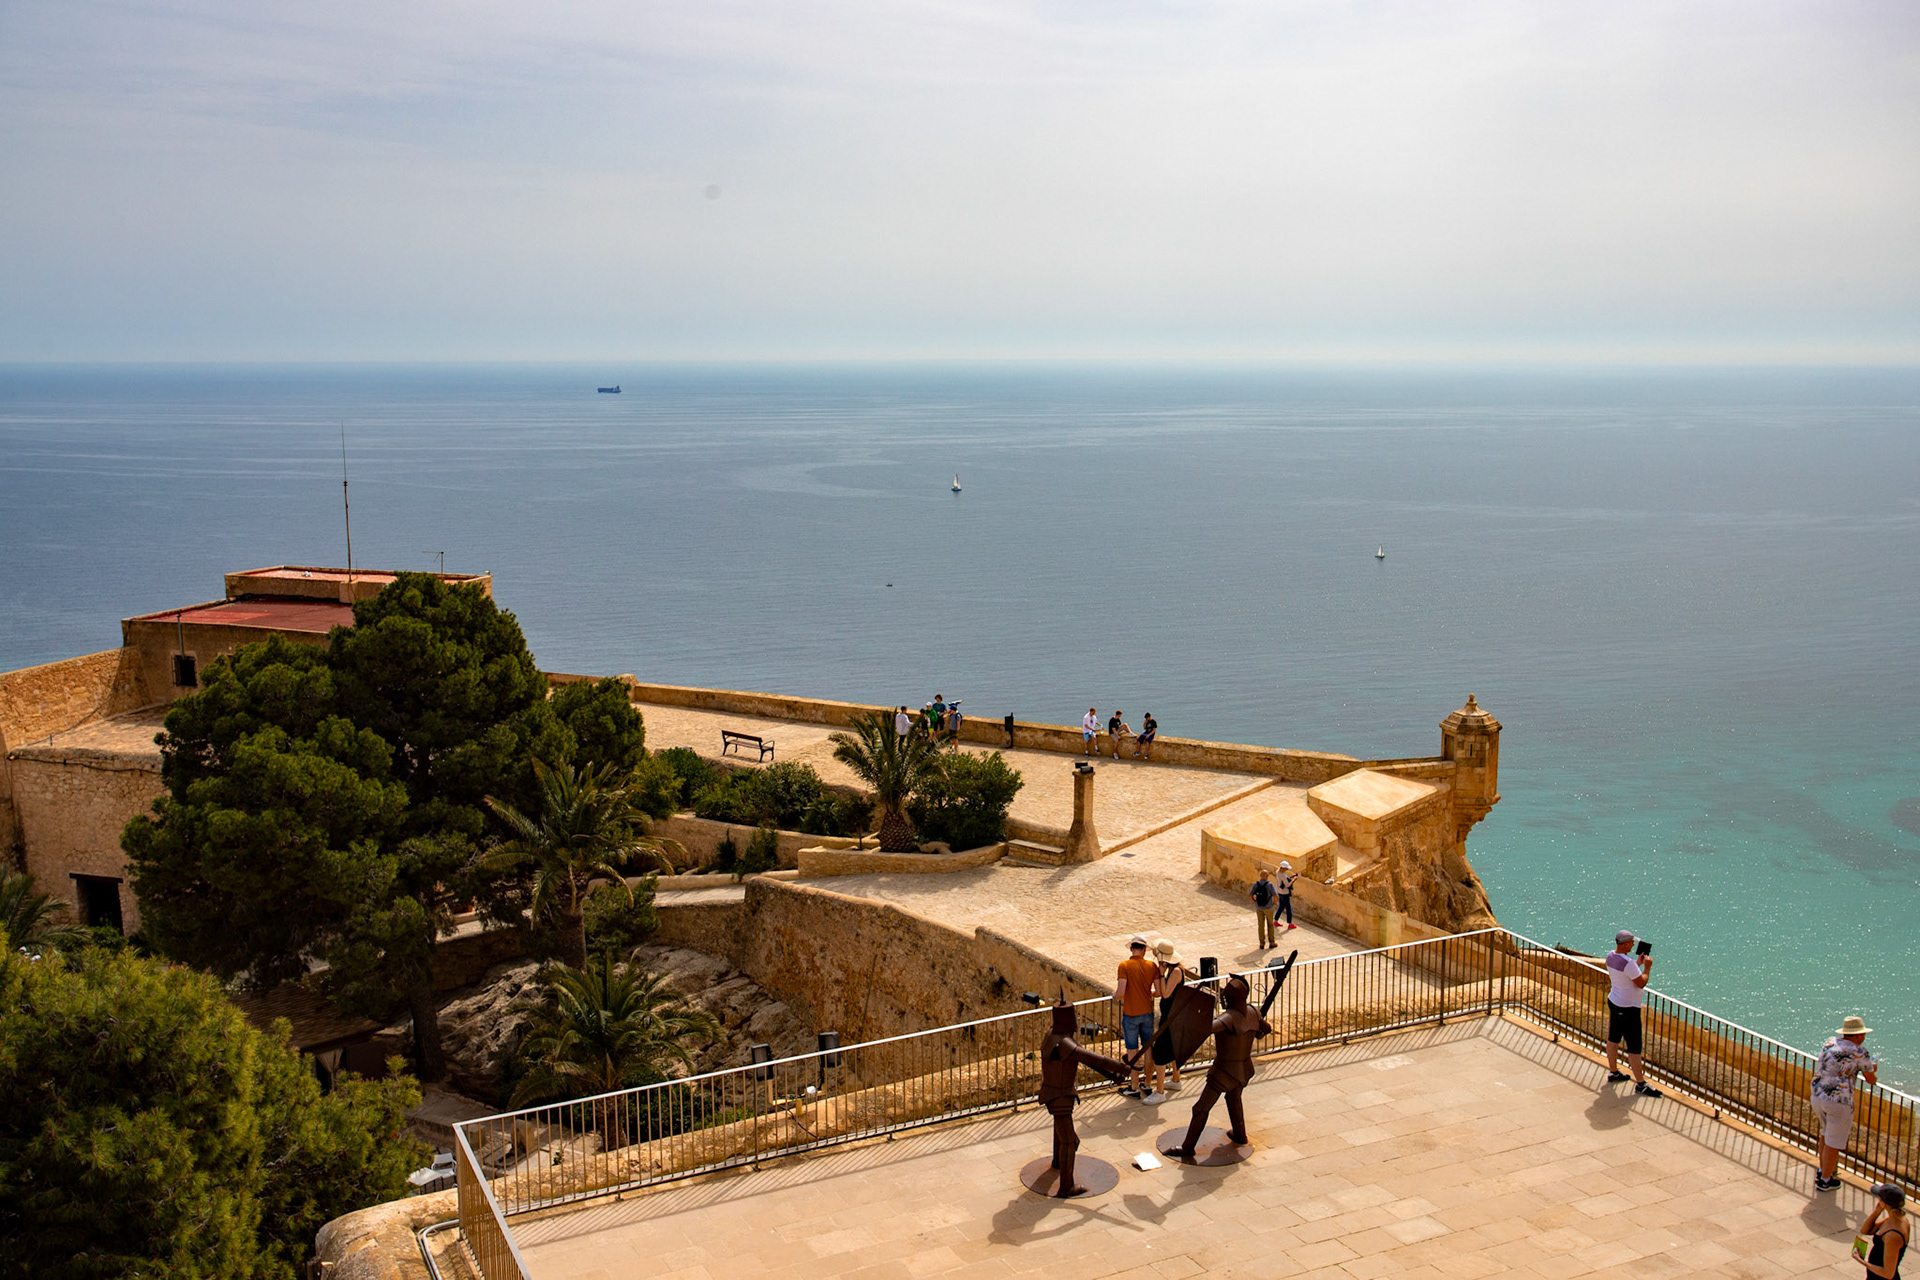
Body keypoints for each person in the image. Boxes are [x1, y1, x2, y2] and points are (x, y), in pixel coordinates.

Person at [1163, 974, 1269, 1160]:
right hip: (1244, 1068)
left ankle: (1188, 1147)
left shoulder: (1228, 1018)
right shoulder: (1253, 1012)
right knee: (1234, 1099)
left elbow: (1206, 1027)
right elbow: (1265, 1029)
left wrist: (1184, 1016)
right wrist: (1257, 1028)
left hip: (1224, 1071)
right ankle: (1239, 1134)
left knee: (1201, 1109)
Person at [1037, 1000, 1132, 1198]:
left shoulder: (1052, 1035)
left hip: (1052, 1092)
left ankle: (1057, 1162)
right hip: (1061, 1096)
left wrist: (1112, 1076)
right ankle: (1066, 1187)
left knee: (1061, 1133)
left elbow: (1082, 1060)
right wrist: (1120, 1067)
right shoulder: (1065, 1043)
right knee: (1069, 1142)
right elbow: (1094, 1058)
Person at [1812, 1015, 1880, 1192]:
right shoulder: (1860, 1051)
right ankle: (1825, 1180)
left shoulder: (1829, 1042)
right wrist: (1873, 1067)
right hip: (1839, 1101)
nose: (1864, 1037)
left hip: (1818, 1095)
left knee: (1825, 1134)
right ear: (1857, 1035)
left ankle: (1822, 1171)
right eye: (1863, 1034)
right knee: (1834, 1142)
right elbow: (1871, 1079)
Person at [1603, 930, 1662, 1098]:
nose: (1633, 945)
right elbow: (1641, 982)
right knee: (1634, 1046)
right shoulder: (1628, 963)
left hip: (1615, 1002)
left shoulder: (1610, 956)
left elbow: (1626, 973)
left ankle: (1614, 1072)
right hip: (1628, 1008)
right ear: (1626, 944)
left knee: (1613, 1038)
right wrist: (1647, 968)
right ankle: (1641, 1083)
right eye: (1631, 943)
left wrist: (1637, 964)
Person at [1115, 935, 1160, 1098]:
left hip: (1131, 1014)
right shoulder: (1151, 966)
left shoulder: (1124, 966)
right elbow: (1159, 991)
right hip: (1147, 1011)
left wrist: (1115, 995)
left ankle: (1133, 1085)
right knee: (1148, 1049)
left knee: (1132, 1050)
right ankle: (1147, 1083)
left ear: (1131, 949)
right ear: (1145, 950)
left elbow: (1120, 993)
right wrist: (1147, 993)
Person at [1150, 937, 1192, 1096]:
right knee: (1173, 1049)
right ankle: (1176, 1079)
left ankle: (1159, 1091)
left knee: (1159, 1053)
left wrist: (1160, 974)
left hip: (1171, 1018)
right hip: (1170, 1015)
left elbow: (1166, 994)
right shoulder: (1173, 970)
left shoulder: (1175, 972)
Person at [1859, 1183, 1908, 1279]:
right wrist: (1877, 1211)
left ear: (1884, 1203)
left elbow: (1888, 1273)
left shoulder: (1893, 1235)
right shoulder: (1893, 1219)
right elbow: (1865, 1230)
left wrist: (1861, 1261)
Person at [1249, 868, 1278, 949]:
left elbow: (1250, 895)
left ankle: (1262, 943)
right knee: (1270, 924)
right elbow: (1275, 896)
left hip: (1259, 907)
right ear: (1267, 876)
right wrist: (1274, 904)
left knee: (1260, 925)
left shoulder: (1256, 884)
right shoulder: (1269, 885)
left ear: (1260, 876)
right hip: (1268, 907)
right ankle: (1272, 942)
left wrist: (1255, 902)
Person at [1273, 860, 1298, 930]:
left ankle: (1276, 920)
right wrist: (1294, 880)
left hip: (1279, 892)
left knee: (1281, 907)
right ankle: (1290, 923)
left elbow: (1282, 880)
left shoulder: (1278, 872)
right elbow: (1287, 885)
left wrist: (1291, 877)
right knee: (1288, 908)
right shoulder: (1283, 875)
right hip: (1285, 893)